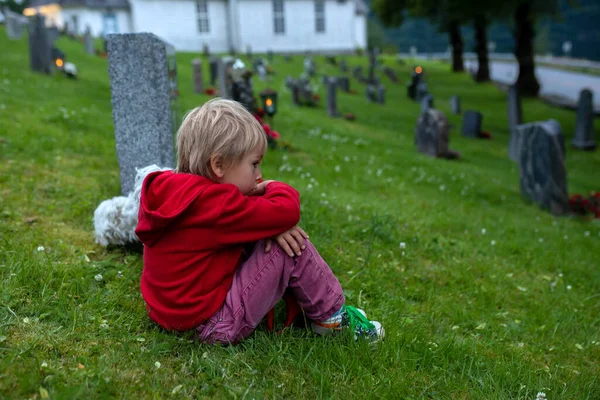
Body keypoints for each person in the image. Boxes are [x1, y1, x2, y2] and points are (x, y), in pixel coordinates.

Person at [135, 98, 384, 344]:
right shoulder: (218, 204)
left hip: (167, 315)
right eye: (254, 165)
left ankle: (308, 304)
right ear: (218, 165)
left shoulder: (173, 190)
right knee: (289, 247)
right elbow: (287, 210)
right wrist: (271, 187)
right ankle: (334, 320)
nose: (259, 175)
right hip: (212, 325)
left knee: (268, 231)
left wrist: (268, 226)